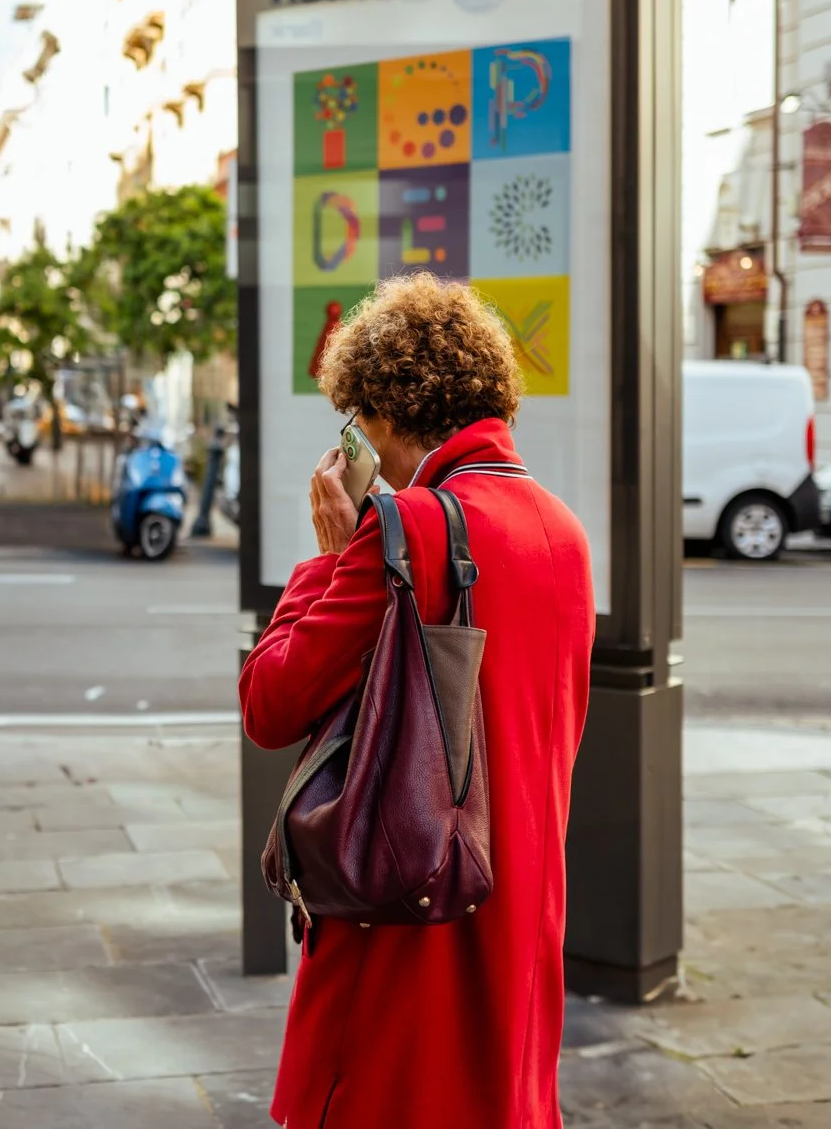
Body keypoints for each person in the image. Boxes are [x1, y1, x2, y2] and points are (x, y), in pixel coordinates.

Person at [239, 272, 595, 1128]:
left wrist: (330, 557)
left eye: (357, 420)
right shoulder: (564, 530)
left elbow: (270, 703)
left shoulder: (411, 530)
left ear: (391, 412)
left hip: (410, 920)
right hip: (520, 914)